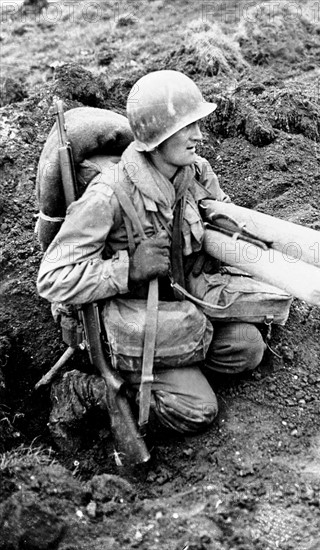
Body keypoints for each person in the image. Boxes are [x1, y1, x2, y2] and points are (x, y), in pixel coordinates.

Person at [37, 70, 267, 446]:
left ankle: (178, 367)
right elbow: (52, 279)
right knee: (197, 410)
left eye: (198, 124)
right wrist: (129, 269)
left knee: (247, 347)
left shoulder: (195, 173)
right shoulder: (108, 196)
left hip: (181, 306)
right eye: (187, 127)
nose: (199, 136)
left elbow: (219, 216)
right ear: (157, 136)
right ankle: (88, 390)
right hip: (133, 320)